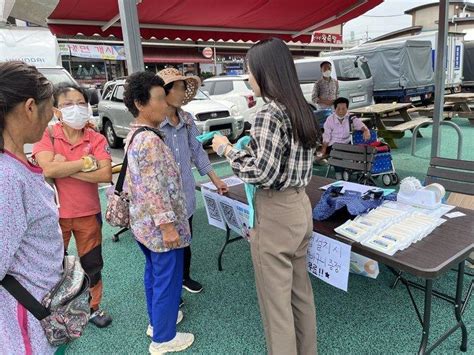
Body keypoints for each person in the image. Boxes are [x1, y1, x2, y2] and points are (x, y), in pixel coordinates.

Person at [212, 38, 320, 355]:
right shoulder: (303, 109)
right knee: (301, 294)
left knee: (276, 305)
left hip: (275, 211)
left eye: (249, 70)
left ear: (264, 71)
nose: (247, 77)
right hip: (300, 206)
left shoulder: (268, 114)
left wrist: (226, 149)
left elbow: (263, 173)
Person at [123, 71, 194, 354]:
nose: (165, 104)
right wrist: (168, 226)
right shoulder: (150, 140)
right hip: (158, 227)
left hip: (142, 224)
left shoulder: (135, 134)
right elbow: (155, 188)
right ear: (141, 104)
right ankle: (163, 339)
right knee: (167, 278)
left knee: (154, 274)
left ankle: (157, 324)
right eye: (160, 98)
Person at [33, 83, 113, 328]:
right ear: (57, 111)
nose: (76, 109)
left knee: (92, 265)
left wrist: (63, 167)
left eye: (81, 103)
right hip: (54, 215)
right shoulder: (46, 135)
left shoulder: (96, 137)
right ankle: (55, 312)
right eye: (68, 105)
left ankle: (92, 308)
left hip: (88, 214)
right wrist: (86, 163)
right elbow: (47, 168)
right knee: (53, 268)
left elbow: (105, 175)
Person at [0, 61, 63, 354]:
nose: (51, 117)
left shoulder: (16, 167)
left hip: (40, 314)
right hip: (25, 326)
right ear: (29, 107)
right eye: (50, 106)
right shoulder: (8, 179)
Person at [158, 68, 228, 294]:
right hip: (163, 197)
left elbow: (198, 151)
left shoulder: (187, 119)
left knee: (186, 237)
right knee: (167, 244)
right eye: (178, 88)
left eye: (183, 88)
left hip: (186, 192)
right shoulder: (155, 123)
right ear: (165, 92)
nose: (182, 92)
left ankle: (184, 277)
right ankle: (171, 289)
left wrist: (215, 178)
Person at [320, 97, 371, 180]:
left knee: (354, 150)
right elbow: (326, 136)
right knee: (337, 151)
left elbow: (361, 126)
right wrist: (323, 149)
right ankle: (338, 172)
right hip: (333, 145)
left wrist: (366, 130)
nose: (341, 111)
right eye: (338, 108)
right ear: (334, 108)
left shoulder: (351, 118)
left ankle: (348, 170)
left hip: (347, 143)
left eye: (344, 109)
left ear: (347, 108)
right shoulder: (330, 119)